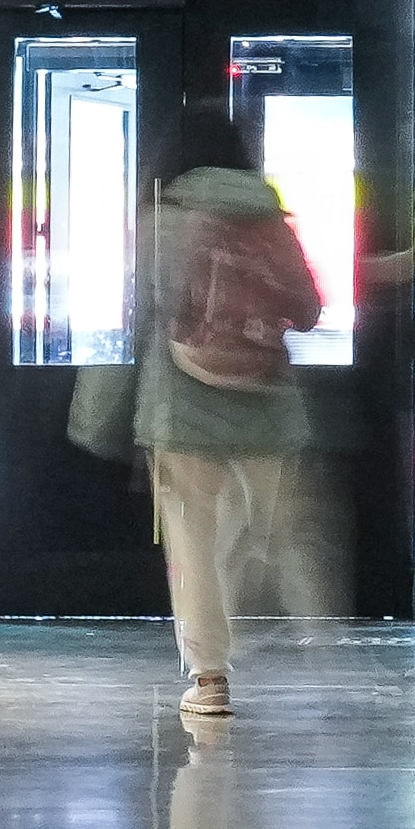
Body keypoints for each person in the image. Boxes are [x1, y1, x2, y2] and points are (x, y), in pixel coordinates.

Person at [104, 107, 323, 721]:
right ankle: (270, 623)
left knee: (191, 544)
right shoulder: (268, 217)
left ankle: (210, 679)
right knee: (250, 535)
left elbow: (141, 315)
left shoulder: (162, 221)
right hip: (268, 406)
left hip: (179, 408)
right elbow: (309, 310)